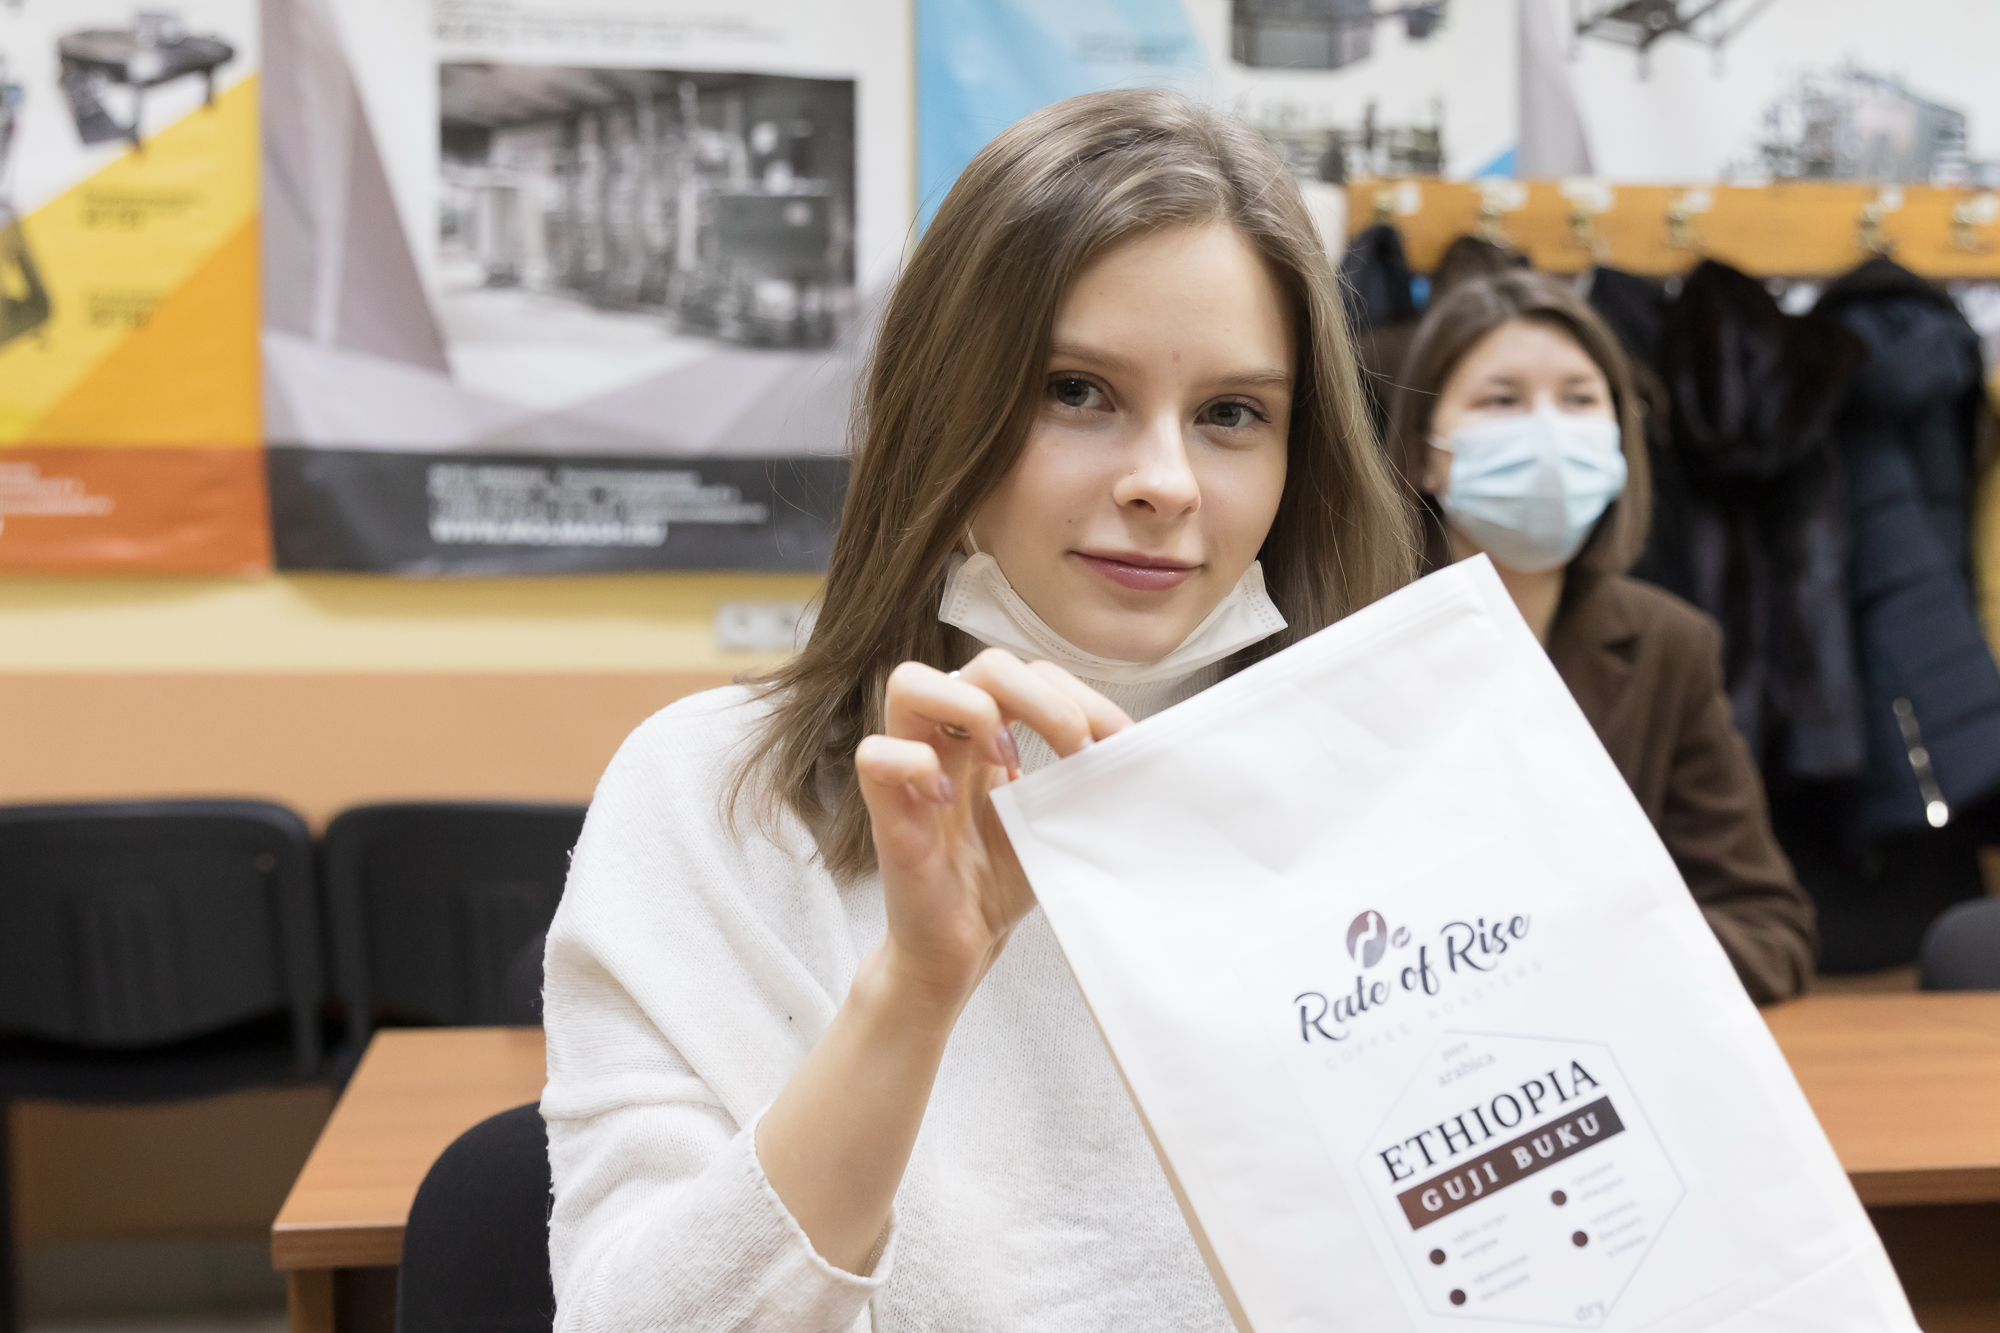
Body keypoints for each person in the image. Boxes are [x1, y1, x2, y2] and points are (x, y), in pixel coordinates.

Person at [540, 89, 1413, 1330]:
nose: (1163, 482)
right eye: (1076, 390)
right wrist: (913, 990)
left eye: (1231, 414)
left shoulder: (1387, 792)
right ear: (945, 409)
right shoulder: (710, 798)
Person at [1387, 269, 1817, 1003]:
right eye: (1501, 400)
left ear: (1619, 439)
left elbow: (1770, 927)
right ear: (1425, 452)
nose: (1548, 431)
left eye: (1580, 399)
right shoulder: (1348, 640)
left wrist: (1586, 957)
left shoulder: (1669, 645)